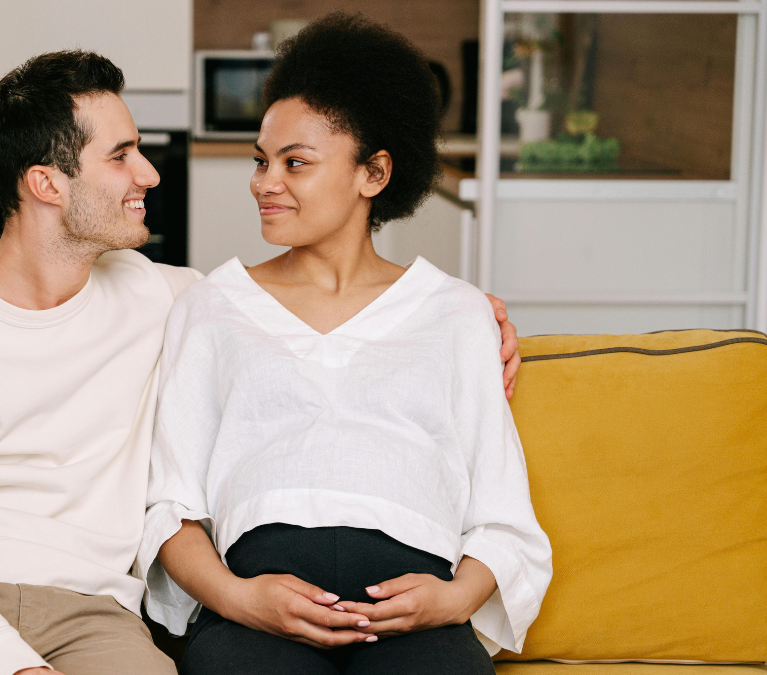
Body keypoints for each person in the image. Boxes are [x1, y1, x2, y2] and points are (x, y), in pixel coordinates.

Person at [0, 49, 521, 675]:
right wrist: (10, 666)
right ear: (46, 184)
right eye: (122, 154)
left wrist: (463, 311)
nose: (150, 173)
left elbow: (303, 316)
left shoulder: (171, 298)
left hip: (89, 612)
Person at [138, 14, 552, 675]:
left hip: (416, 621)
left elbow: (503, 515)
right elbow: (170, 504)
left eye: (294, 163)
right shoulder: (210, 308)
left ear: (374, 173)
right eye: (260, 161)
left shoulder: (455, 314)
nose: (264, 182)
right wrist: (239, 599)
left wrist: (451, 600)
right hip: (254, 615)